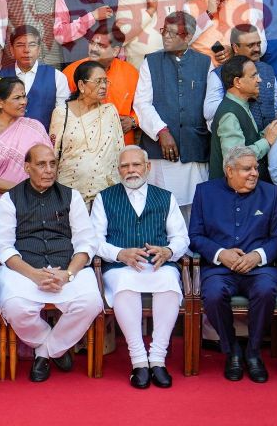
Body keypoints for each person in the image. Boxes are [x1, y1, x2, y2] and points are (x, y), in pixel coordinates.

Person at [0, 143, 102, 381]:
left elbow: (86, 242)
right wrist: (33, 274)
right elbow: (3, 246)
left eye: (52, 164)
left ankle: (45, 352)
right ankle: (55, 346)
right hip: (25, 271)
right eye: (41, 164)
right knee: (14, 307)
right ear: (27, 167)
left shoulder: (71, 196)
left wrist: (68, 274)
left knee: (91, 302)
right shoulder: (10, 199)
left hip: (67, 267)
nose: (49, 170)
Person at [91, 145, 189, 388]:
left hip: (158, 265)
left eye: (136, 165)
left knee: (168, 282)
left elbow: (181, 238)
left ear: (147, 167)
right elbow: (94, 241)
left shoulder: (165, 197)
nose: (130, 170)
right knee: (125, 285)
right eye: (125, 166)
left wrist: (168, 251)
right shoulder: (105, 197)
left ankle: (157, 358)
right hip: (120, 267)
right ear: (118, 170)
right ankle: (138, 362)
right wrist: (120, 253)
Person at [189, 145, 277, 383]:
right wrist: (221, 254)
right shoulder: (205, 192)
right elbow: (195, 236)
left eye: (255, 167)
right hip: (220, 268)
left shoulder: (270, 193)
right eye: (246, 169)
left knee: (265, 291)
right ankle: (231, 348)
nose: (254, 173)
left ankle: (253, 352)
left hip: (259, 268)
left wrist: (257, 256)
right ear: (229, 171)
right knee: (212, 294)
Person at [135, 12, 210, 214]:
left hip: (195, 148)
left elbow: (210, 107)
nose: (166, 36)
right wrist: (162, 132)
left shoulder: (205, 63)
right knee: (161, 207)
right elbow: (141, 103)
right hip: (160, 152)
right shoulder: (150, 62)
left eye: (172, 33)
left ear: (187, 37)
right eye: (164, 31)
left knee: (195, 209)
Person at [50, 60, 124, 205]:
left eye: (105, 81)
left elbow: (119, 152)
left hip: (106, 194)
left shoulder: (109, 112)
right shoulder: (62, 113)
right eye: (98, 81)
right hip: (70, 194)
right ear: (81, 85)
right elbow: (53, 154)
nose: (103, 86)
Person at [209, 55, 277, 179]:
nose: (259, 80)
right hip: (230, 194)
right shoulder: (229, 114)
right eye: (253, 76)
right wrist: (267, 141)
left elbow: (246, 142)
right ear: (237, 82)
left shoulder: (240, 105)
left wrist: (266, 133)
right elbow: (236, 159)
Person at [0, 76, 53, 197]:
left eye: (24, 96)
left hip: (36, 201)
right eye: (17, 98)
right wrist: (25, 191)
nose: (23, 102)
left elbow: (50, 166)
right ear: (0, 102)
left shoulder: (35, 127)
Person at [64, 25, 139, 146]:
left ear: (115, 51)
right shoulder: (71, 72)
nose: (93, 49)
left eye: (100, 46)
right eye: (92, 43)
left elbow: (144, 105)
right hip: (84, 147)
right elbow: (63, 112)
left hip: (121, 146)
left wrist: (134, 120)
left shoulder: (130, 73)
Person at [203, 24, 277, 133]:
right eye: (250, 45)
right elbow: (209, 114)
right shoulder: (218, 74)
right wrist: (241, 96)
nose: (257, 49)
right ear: (235, 48)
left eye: (258, 44)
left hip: (270, 140)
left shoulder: (268, 69)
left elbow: (276, 104)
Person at [190, 0, 264, 64]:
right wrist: (208, 14)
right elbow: (182, 41)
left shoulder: (246, 8)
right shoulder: (190, 7)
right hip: (202, 73)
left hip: (239, 72)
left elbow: (262, 44)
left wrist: (235, 51)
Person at [0, 25, 69, 130]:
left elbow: (62, 116)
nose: (26, 50)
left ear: (39, 49)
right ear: (11, 50)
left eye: (32, 45)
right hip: (8, 141)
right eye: (20, 45)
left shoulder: (57, 77)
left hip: (44, 141)